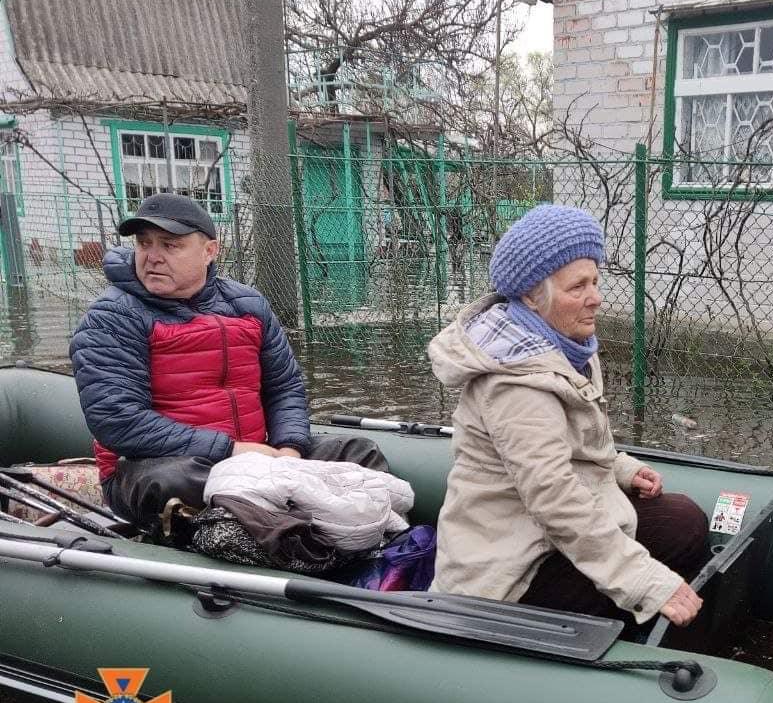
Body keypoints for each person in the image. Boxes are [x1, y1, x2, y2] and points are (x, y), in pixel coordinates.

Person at [428, 205, 710, 629]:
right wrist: (645, 581)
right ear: (531, 296)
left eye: (595, 281)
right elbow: (553, 497)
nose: (595, 297)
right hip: (509, 572)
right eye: (578, 286)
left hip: (540, 533)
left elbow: (573, 443)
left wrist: (620, 467)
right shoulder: (515, 382)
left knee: (683, 521)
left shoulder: (565, 346)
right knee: (667, 550)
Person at [69, 193, 384, 530]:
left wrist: (289, 448)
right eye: (144, 244)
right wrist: (232, 450)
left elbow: (284, 388)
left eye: (170, 245)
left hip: (259, 454)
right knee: (175, 481)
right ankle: (291, 531)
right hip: (154, 467)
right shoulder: (112, 317)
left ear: (210, 251)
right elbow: (119, 421)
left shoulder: (248, 304)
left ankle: (366, 542)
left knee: (357, 451)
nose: (153, 257)